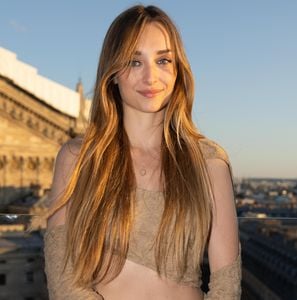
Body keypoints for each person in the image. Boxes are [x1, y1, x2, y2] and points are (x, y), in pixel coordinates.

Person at [44, 5, 241, 300]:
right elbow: (62, 278)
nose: (151, 77)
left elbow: (226, 285)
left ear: (177, 71)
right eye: (134, 62)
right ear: (112, 73)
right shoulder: (78, 157)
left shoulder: (210, 162)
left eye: (163, 60)